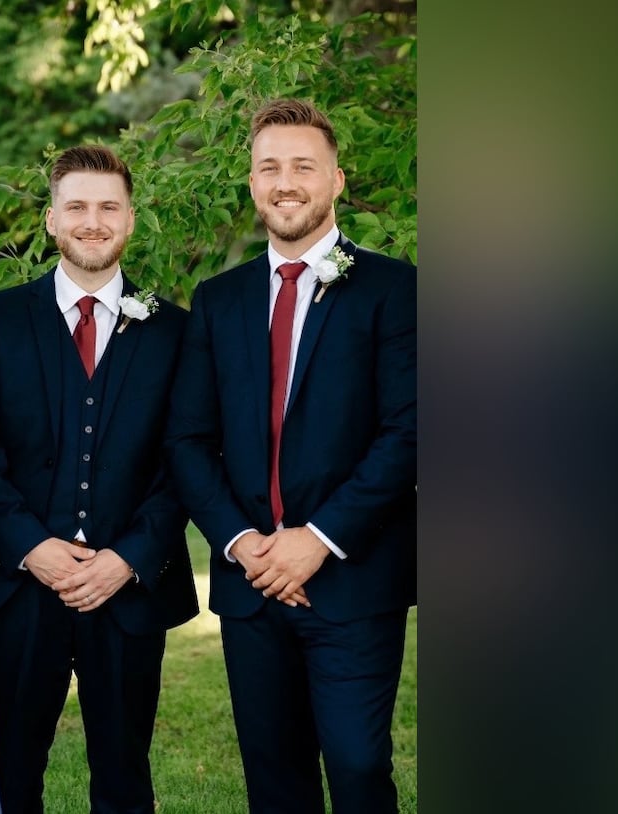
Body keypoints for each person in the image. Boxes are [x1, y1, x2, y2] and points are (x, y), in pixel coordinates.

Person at [167, 99, 417, 813]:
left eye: (303, 166)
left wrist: (318, 540)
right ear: (251, 183)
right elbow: (187, 440)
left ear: (336, 180)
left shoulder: (396, 289)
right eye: (269, 167)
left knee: (359, 764)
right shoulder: (219, 300)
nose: (286, 182)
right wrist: (245, 546)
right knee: (274, 780)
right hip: (251, 586)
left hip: (353, 575)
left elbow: (412, 431)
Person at [0, 145, 198, 814]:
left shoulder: (175, 330)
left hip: (127, 592)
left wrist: (128, 558)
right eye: (77, 207)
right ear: (50, 220)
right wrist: (32, 547)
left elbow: (185, 456)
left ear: (130, 219)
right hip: (18, 587)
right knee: (8, 766)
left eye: (107, 207)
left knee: (124, 771)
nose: (92, 221)